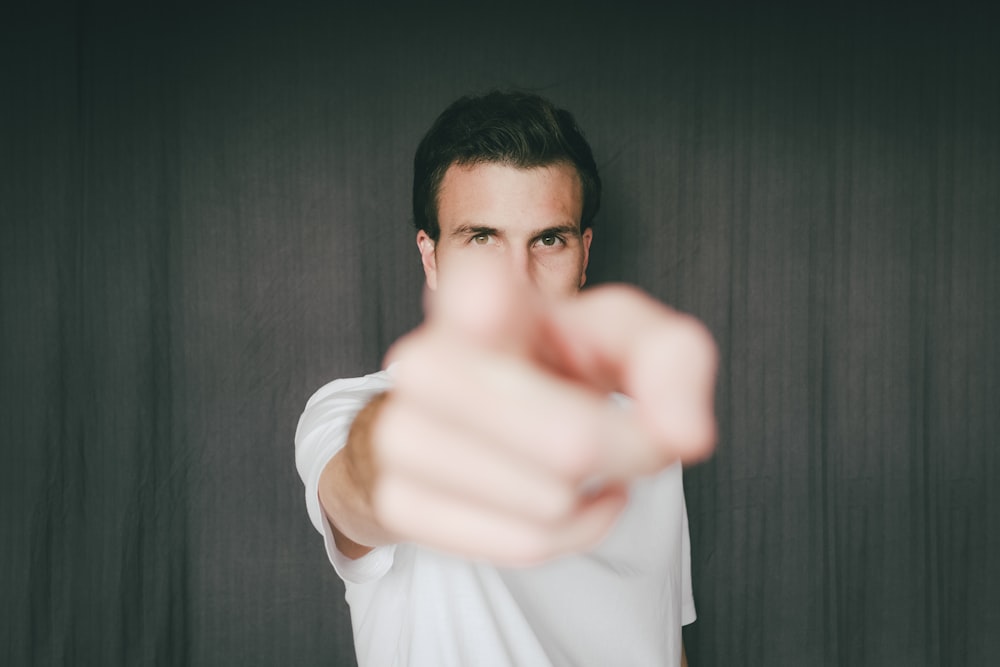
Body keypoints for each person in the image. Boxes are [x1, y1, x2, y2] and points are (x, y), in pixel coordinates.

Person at [295, 90, 717, 666]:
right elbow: (359, 498)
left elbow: (661, 643)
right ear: (431, 258)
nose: (517, 280)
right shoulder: (351, 411)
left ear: (584, 253)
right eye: (482, 237)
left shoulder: (645, 436)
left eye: (548, 239)